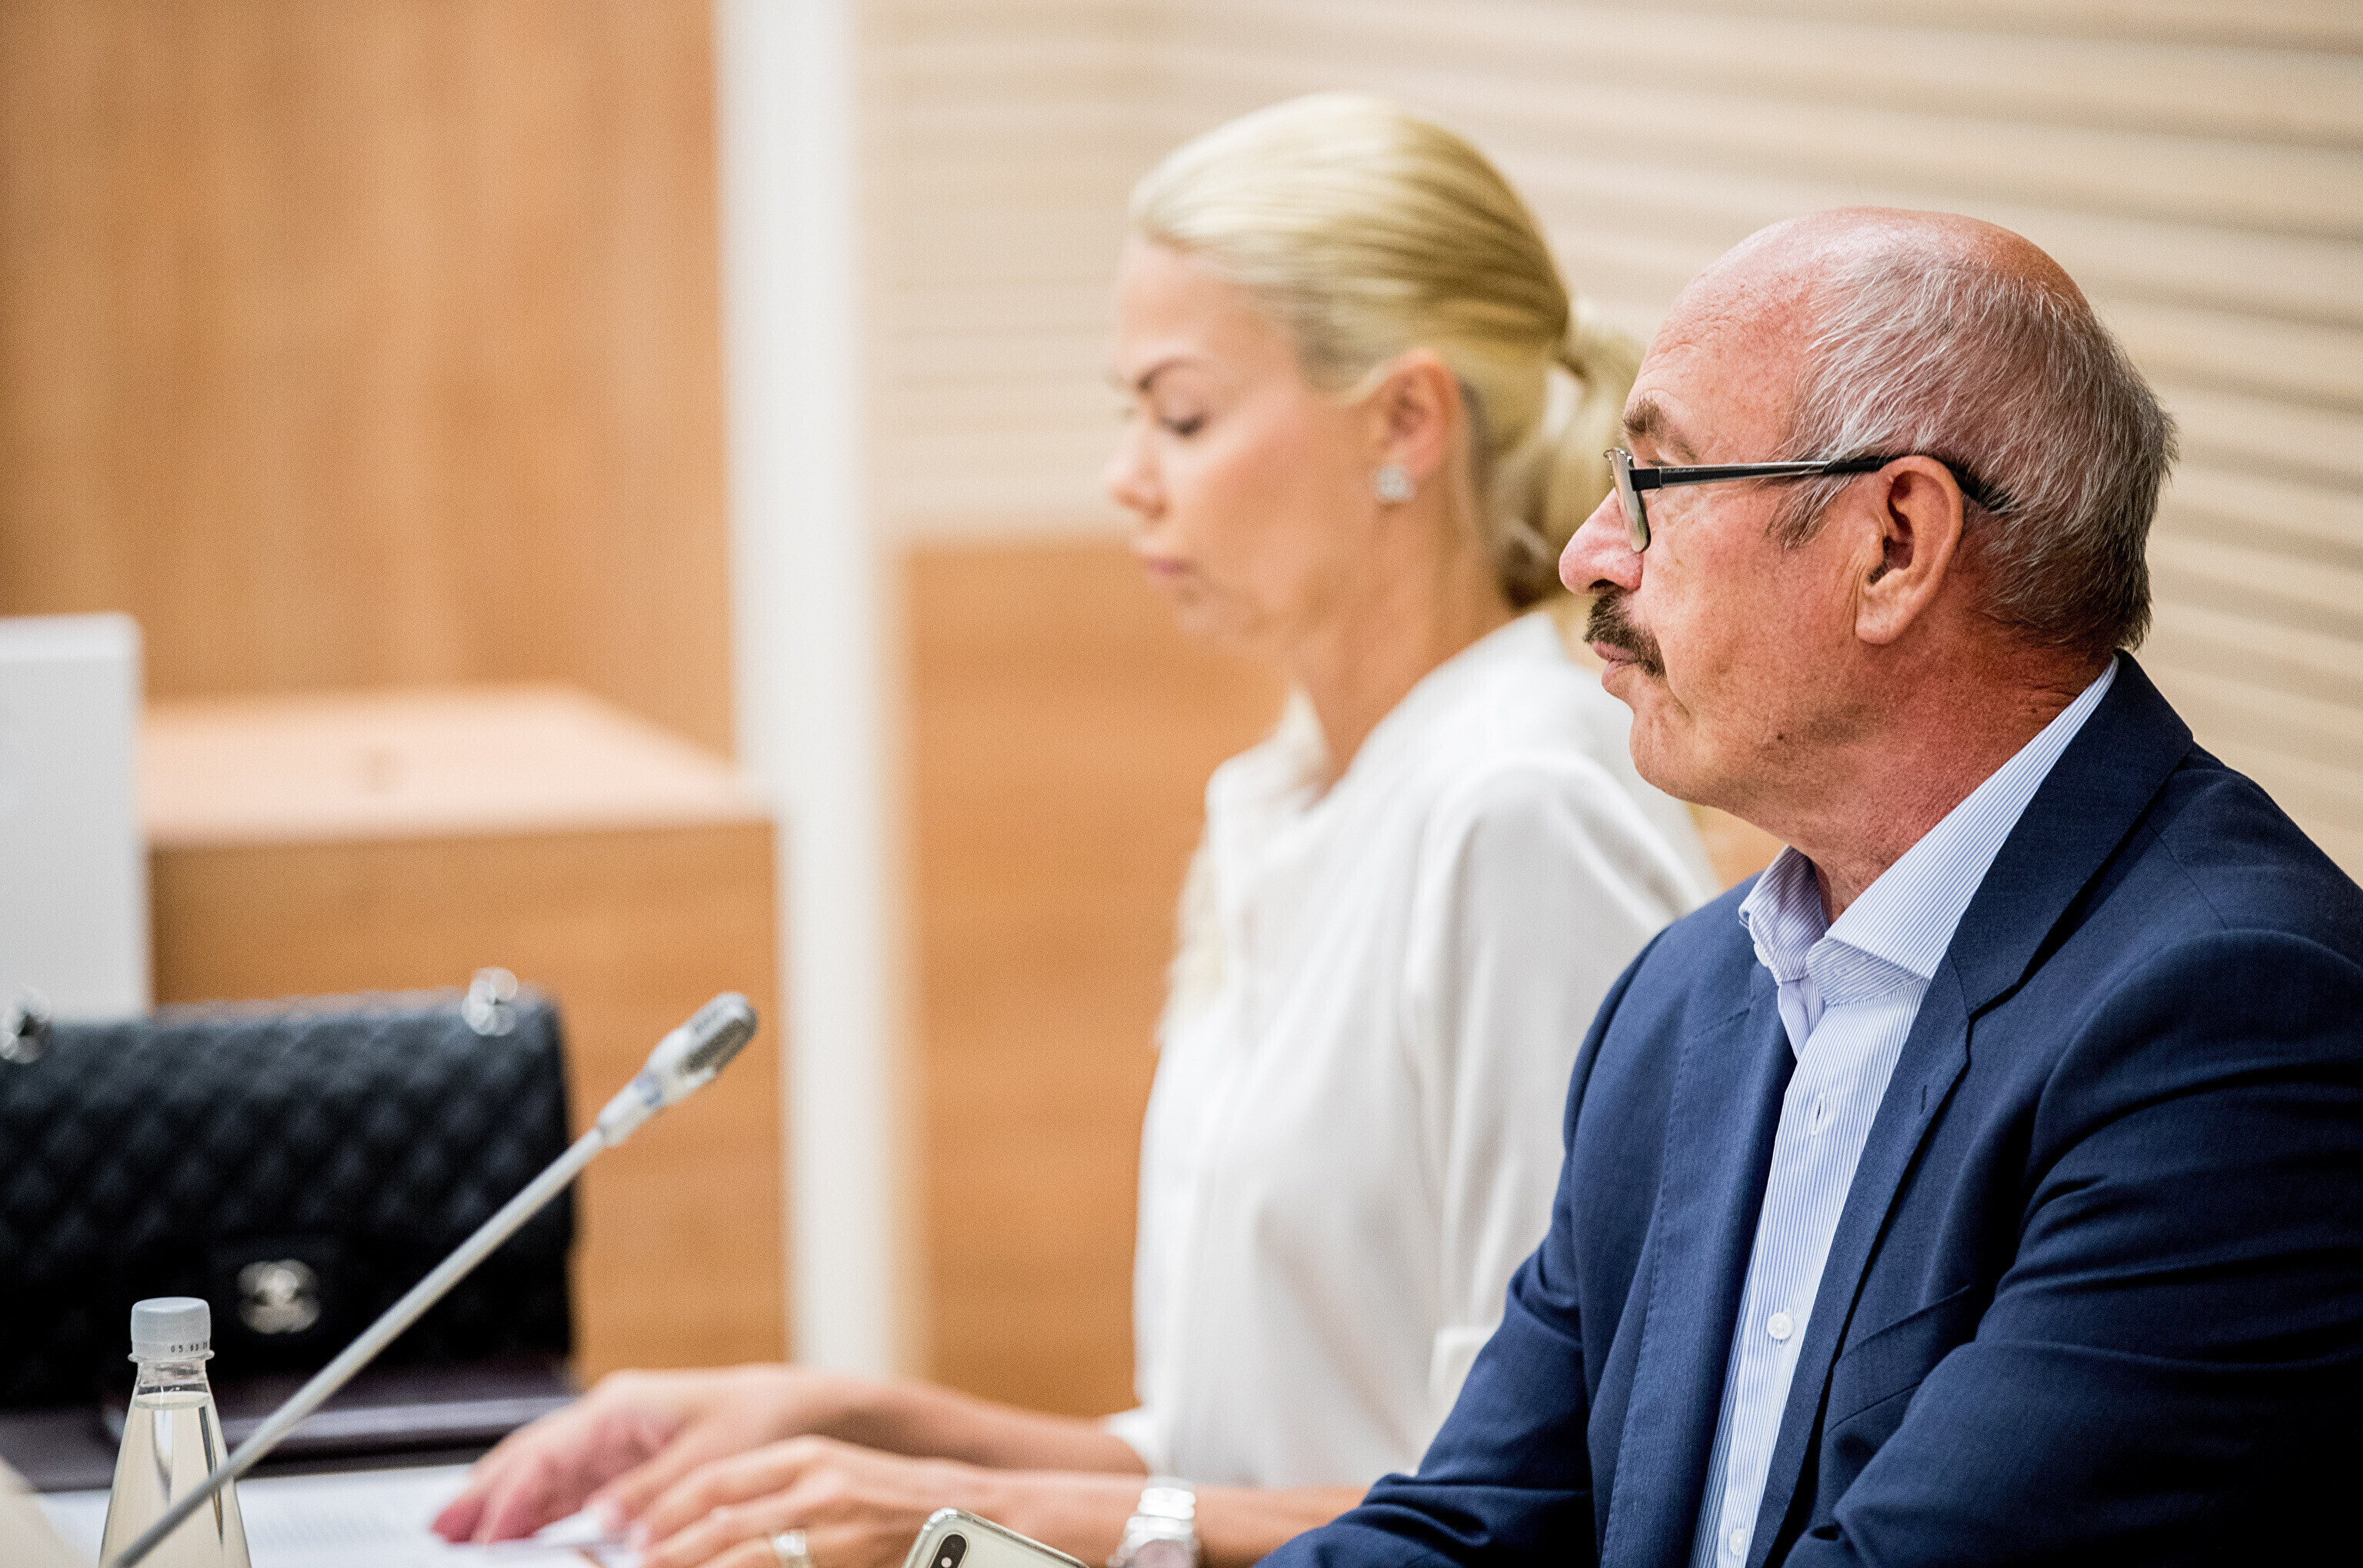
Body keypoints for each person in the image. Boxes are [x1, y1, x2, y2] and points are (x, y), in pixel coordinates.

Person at [432, 95, 1712, 1568]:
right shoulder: (1297, 792)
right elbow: (1224, 1459)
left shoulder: (1520, 811)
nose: (1127, 474)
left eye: (1182, 414)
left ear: (1403, 424)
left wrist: (974, 1517)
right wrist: (844, 1422)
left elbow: (1529, 1513)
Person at [1263, 206, 2363, 1568]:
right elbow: (1479, 1530)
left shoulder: (2239, 1024)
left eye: (1654, 483)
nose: (1587, 554)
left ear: (1893, 543)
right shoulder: (1683, 998)